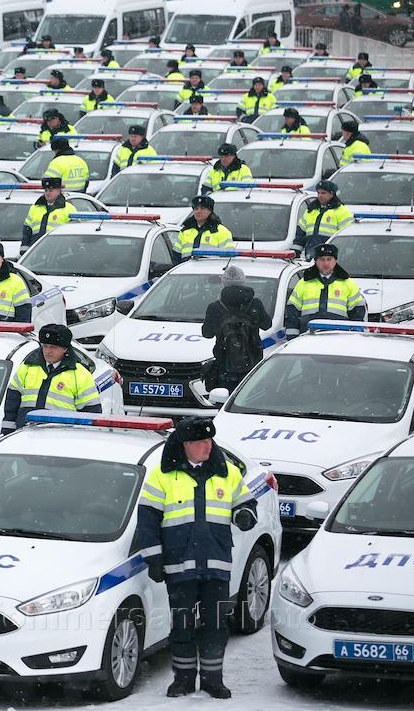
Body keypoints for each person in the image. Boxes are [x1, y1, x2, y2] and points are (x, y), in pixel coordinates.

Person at [137, 416, 256, 700]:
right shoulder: (161, 476)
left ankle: (213, 680)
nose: (207, 446)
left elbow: (246, 504)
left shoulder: (228, 473)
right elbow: (147, 522)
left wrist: (244, 515)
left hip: (217, 564)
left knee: (215, 625)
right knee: (183, 625)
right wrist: (154, 559)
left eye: (209, 440)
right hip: (179, 565)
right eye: (200, 441)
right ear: (185, 444)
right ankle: (184, 679)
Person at [2, 324, 101, 430]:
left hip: (61, 436)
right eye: (45, 346)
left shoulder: (80, 374)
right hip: (26, 433)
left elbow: (91, 414)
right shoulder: (27, 367)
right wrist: (8, 431)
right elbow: (11, 405)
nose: (48, 351)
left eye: (53, 347)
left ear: (65, 349)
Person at [201, 265, 270, 391]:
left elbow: (207, 333)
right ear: (243, 282)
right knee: (249, 396)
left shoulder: (214, 307)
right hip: (252, 362)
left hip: (225, 364)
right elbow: (267, 325)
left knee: (224, 398)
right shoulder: (255, 304)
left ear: (224, 283)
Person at [284, 242, 366, 333]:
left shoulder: (348, 284)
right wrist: (292, 335)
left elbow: (357, 315)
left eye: (329, 259)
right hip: (309, 336)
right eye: (322, 259)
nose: (326, 263)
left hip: (339, 337)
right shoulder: (303, 283)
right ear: (316, 261)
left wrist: (354, 335)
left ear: (335, 261)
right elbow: (292, 313)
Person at [292, 180, 353, 255]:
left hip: (331, 256)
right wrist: (296, 252)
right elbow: (300, 234)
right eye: (318, 193)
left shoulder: (342, 211)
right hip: (311, 255)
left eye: (323, 193)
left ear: (331, 194)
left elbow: (347, 237)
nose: (320, 195)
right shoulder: (311, 210)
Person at [21, 177, 76, 248]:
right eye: (46, 190)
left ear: (58, 191)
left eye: (50, 190)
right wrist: (24, 250)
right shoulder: (34, 208)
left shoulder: (69, 209)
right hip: (36, 249)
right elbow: (27, 232)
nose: (47, 193)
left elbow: (73, 235)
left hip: (58, 249)